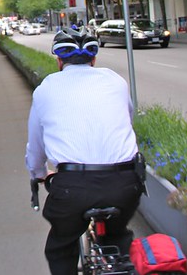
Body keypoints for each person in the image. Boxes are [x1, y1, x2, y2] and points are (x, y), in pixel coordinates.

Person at [25, 28, 145, 275]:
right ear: (93, 60)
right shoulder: (115, 81)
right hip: (125, 183)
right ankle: (121, 259)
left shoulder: (46, 89)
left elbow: (36, 147)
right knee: (118, 236)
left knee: (61, 245)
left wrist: (39, 173)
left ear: (59, 61)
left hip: (72, 187)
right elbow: (127, 119)